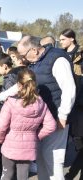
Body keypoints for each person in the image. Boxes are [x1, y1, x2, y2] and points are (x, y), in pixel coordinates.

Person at [0, 35, 76, 179]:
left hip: (57, 120)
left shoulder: (58, 60)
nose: (22, 59)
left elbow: (69, 89)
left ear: (34, 50)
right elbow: (22, 85)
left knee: (54, 161)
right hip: (43, 119)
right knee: (41, 157)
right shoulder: (35, 62)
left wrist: (63, 116)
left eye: (23, 55)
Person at [0, 68, 56, 180]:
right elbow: (51, 126)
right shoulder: (41, 103)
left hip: (10, 144)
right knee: (23, 176)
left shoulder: (11, 102)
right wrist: (36, 136)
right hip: (29, 146)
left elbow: (1, 125)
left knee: (7, 174)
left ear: (18, 84)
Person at [59, 28, 83, 180]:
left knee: (78, 142)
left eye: (63, 39)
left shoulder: (79, 56)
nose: (60, 42)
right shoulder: (61, 55)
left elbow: (78, 83)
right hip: (69, 103)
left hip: (78, 104)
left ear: (72, 39)